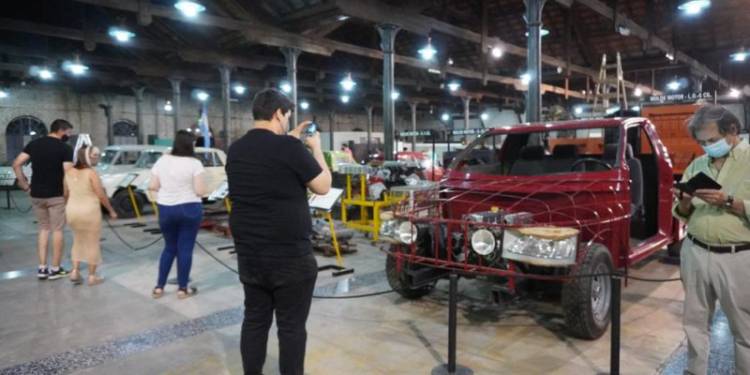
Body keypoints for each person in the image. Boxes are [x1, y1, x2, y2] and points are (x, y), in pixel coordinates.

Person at [226, 88, 331, 375]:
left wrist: (291, 139)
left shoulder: (236, 149)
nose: (287, 121)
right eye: (287, 116)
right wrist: (316, 148)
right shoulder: (289, 149)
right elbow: (322, 185)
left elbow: (269, 162)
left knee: (255, 320)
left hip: (250, 254)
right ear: (278, 114)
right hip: (289, 257)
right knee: (291, 328)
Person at [673, 104, 750, 375]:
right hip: (695, 251)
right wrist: (684, 202)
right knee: (694, 323)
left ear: (733, 131)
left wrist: (730, 202)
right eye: (703, 142)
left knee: (744, 327)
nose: (708, 147)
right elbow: (682, 214)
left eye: (713, 140)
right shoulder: (697, 164)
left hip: (737, 257)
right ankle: (694, 371)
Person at [12, 119, 74, 280]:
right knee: (58, 230)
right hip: (56, 195)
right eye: (68, 132)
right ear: (61, 130)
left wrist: (25, 185)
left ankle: (42, 268)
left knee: (43, 229)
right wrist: (67, 196)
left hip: (36, 194)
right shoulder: (65, 148)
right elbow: (67, 175)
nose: (69, 135)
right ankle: (55, 269)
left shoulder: (34, 144)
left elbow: (16, 164)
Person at [148, 130, 207, 299]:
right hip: (189, 208)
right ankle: (182, 289)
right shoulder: (194, 163)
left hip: (166, 208)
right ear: (191, 144)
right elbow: (200, 190)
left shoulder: (162, 160)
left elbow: (153, 185)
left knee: (169, 248)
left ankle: (159, 287)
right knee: (185, 249)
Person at [64, 145, 118, 285]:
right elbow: (101, 195)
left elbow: (65, 193)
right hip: (89, 211)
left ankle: (75, 271)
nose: (97, 158)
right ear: (87, 157)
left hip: (72, 210)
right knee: (93, 242)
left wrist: (66, 207)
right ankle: (92, 277)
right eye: (95, 155)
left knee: (77, 240)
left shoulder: (68, 171)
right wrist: (111, 210)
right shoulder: (91, 173)